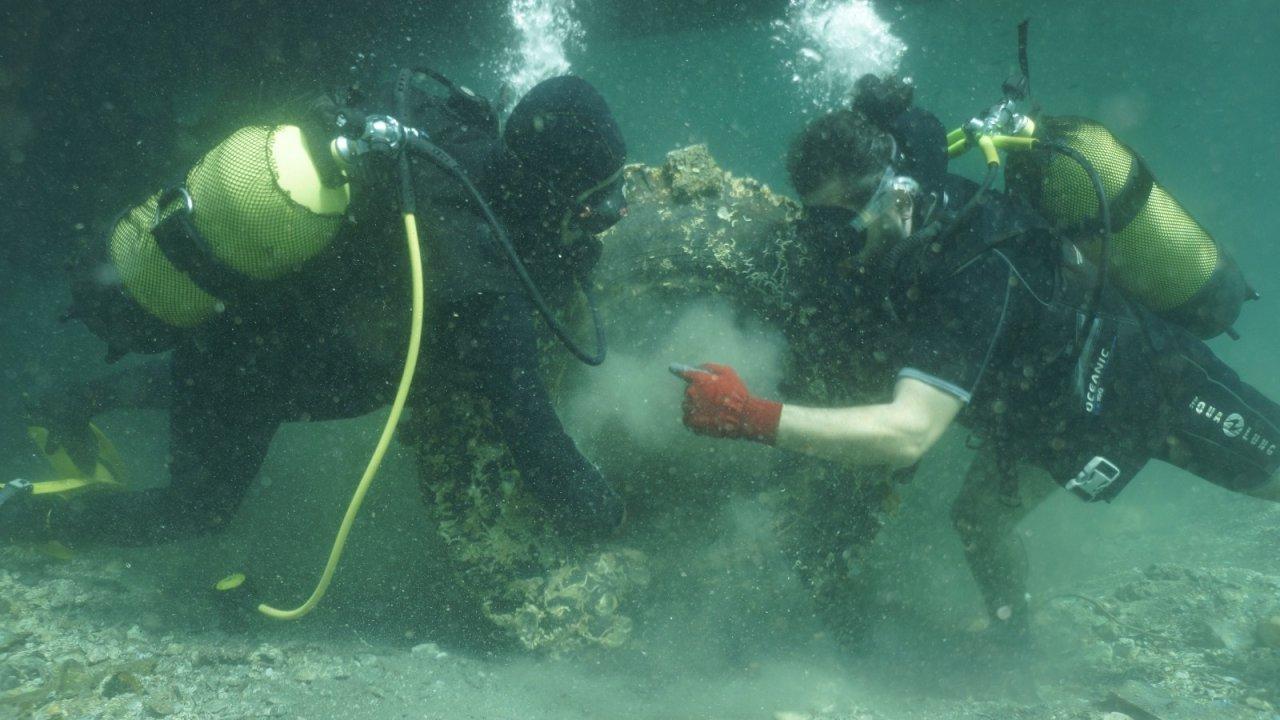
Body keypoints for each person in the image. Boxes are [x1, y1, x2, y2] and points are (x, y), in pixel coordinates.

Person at [3, 73, 643, 651]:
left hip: (249, 318)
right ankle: (26, 516)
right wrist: (626, 519)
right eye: (597, 202)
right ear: (548, 190)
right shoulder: (487, 301)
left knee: (196, 377)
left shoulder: (453, 130)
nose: (610, 216)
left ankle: (68, 400)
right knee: (196, 509)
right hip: (267, 370)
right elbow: (548, 460)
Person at [674, 76, 1280, 645]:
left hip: (1146, 382)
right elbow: (912, 135)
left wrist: (747, 414)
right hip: (1042, 416)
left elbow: (909, 433)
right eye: (822, 223)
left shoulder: (971, 271)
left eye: (844, 218)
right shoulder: (901, 218)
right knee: (978, 521)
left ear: (897, 192)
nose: (838, 240)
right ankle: (1014, 640)